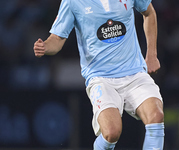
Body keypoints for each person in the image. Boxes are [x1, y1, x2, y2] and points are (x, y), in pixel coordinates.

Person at [33, 0, 165, 149]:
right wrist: (45, 46)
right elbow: (57, 38)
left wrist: (152, 55)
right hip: (101, 78)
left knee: (156, 115)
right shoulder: (73, 2)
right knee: (111, 132)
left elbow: (149, 12)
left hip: (134, 72)